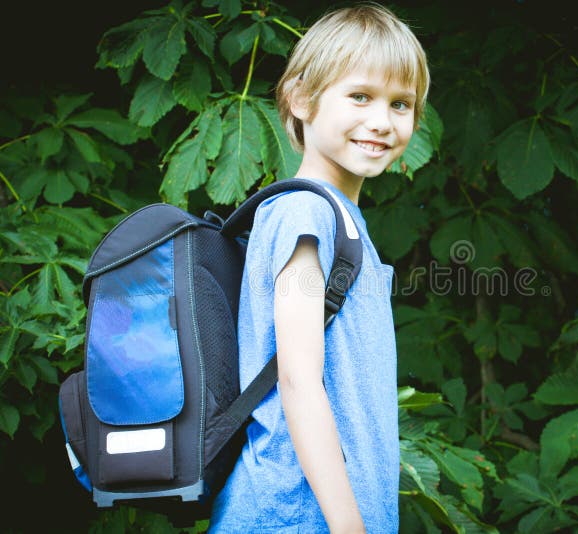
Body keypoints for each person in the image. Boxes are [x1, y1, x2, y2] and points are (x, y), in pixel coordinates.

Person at [209, 2, 430, 532]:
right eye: (360, 96)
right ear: (301, 98)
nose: (381, 121)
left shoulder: (341, 220)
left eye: (401, 104)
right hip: (295, 516)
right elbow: (298, 380)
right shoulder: (304, 212)